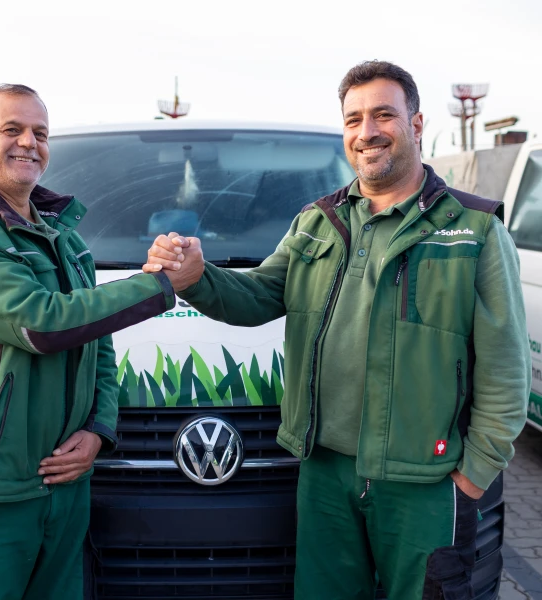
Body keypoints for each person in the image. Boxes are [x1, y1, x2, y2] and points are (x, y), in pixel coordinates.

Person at [143, 61, 531, 600]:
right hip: (325, 477)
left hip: (425, 482)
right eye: (353, 119)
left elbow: (505, 369)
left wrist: (472, 477)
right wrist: (196, 278)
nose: (366, 132)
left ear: (416, 126)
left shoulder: (473, 230)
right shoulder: (317, 222)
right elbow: (257, 296)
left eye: (382, 115)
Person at [0, 84, 175, 600]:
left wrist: (98, 429)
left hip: (66, 485)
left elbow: (99, 344)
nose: (29, 142)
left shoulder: (62, 234)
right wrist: (161, 283)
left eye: (40, 133)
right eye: (13, 129)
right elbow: (42, 324)